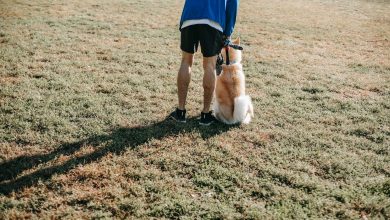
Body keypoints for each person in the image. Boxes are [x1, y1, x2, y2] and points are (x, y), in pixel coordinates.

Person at [169, 0, 239, 126]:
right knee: (210, 66)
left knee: (185, 61)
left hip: (189, 16)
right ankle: (205, 115)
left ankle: (180, 112)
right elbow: (232, 3)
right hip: (213, 19)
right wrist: (228, 32)